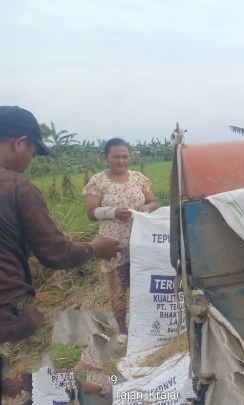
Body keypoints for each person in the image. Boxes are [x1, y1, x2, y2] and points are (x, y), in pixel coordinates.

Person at [0, 106, 122, 398]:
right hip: (7, 311)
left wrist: (31, 244)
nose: (30, 162)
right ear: (20, 143)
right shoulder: (16, 186)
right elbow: (57, 255)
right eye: (33, 153)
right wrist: (94, 247)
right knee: (33, 373)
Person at [83, 138, 158, 346]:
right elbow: (91, 213)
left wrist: (147, 208)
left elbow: (153, 202)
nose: (121, 161)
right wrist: (113, 212)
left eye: (125, 156)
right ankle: (123, 330)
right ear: (106, 158)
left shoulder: (138, 178)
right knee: (117, 289)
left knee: (141, 284)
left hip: (139, 241)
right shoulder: (98, 181)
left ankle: (144, 325)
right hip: (112, 243)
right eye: (116, 157)